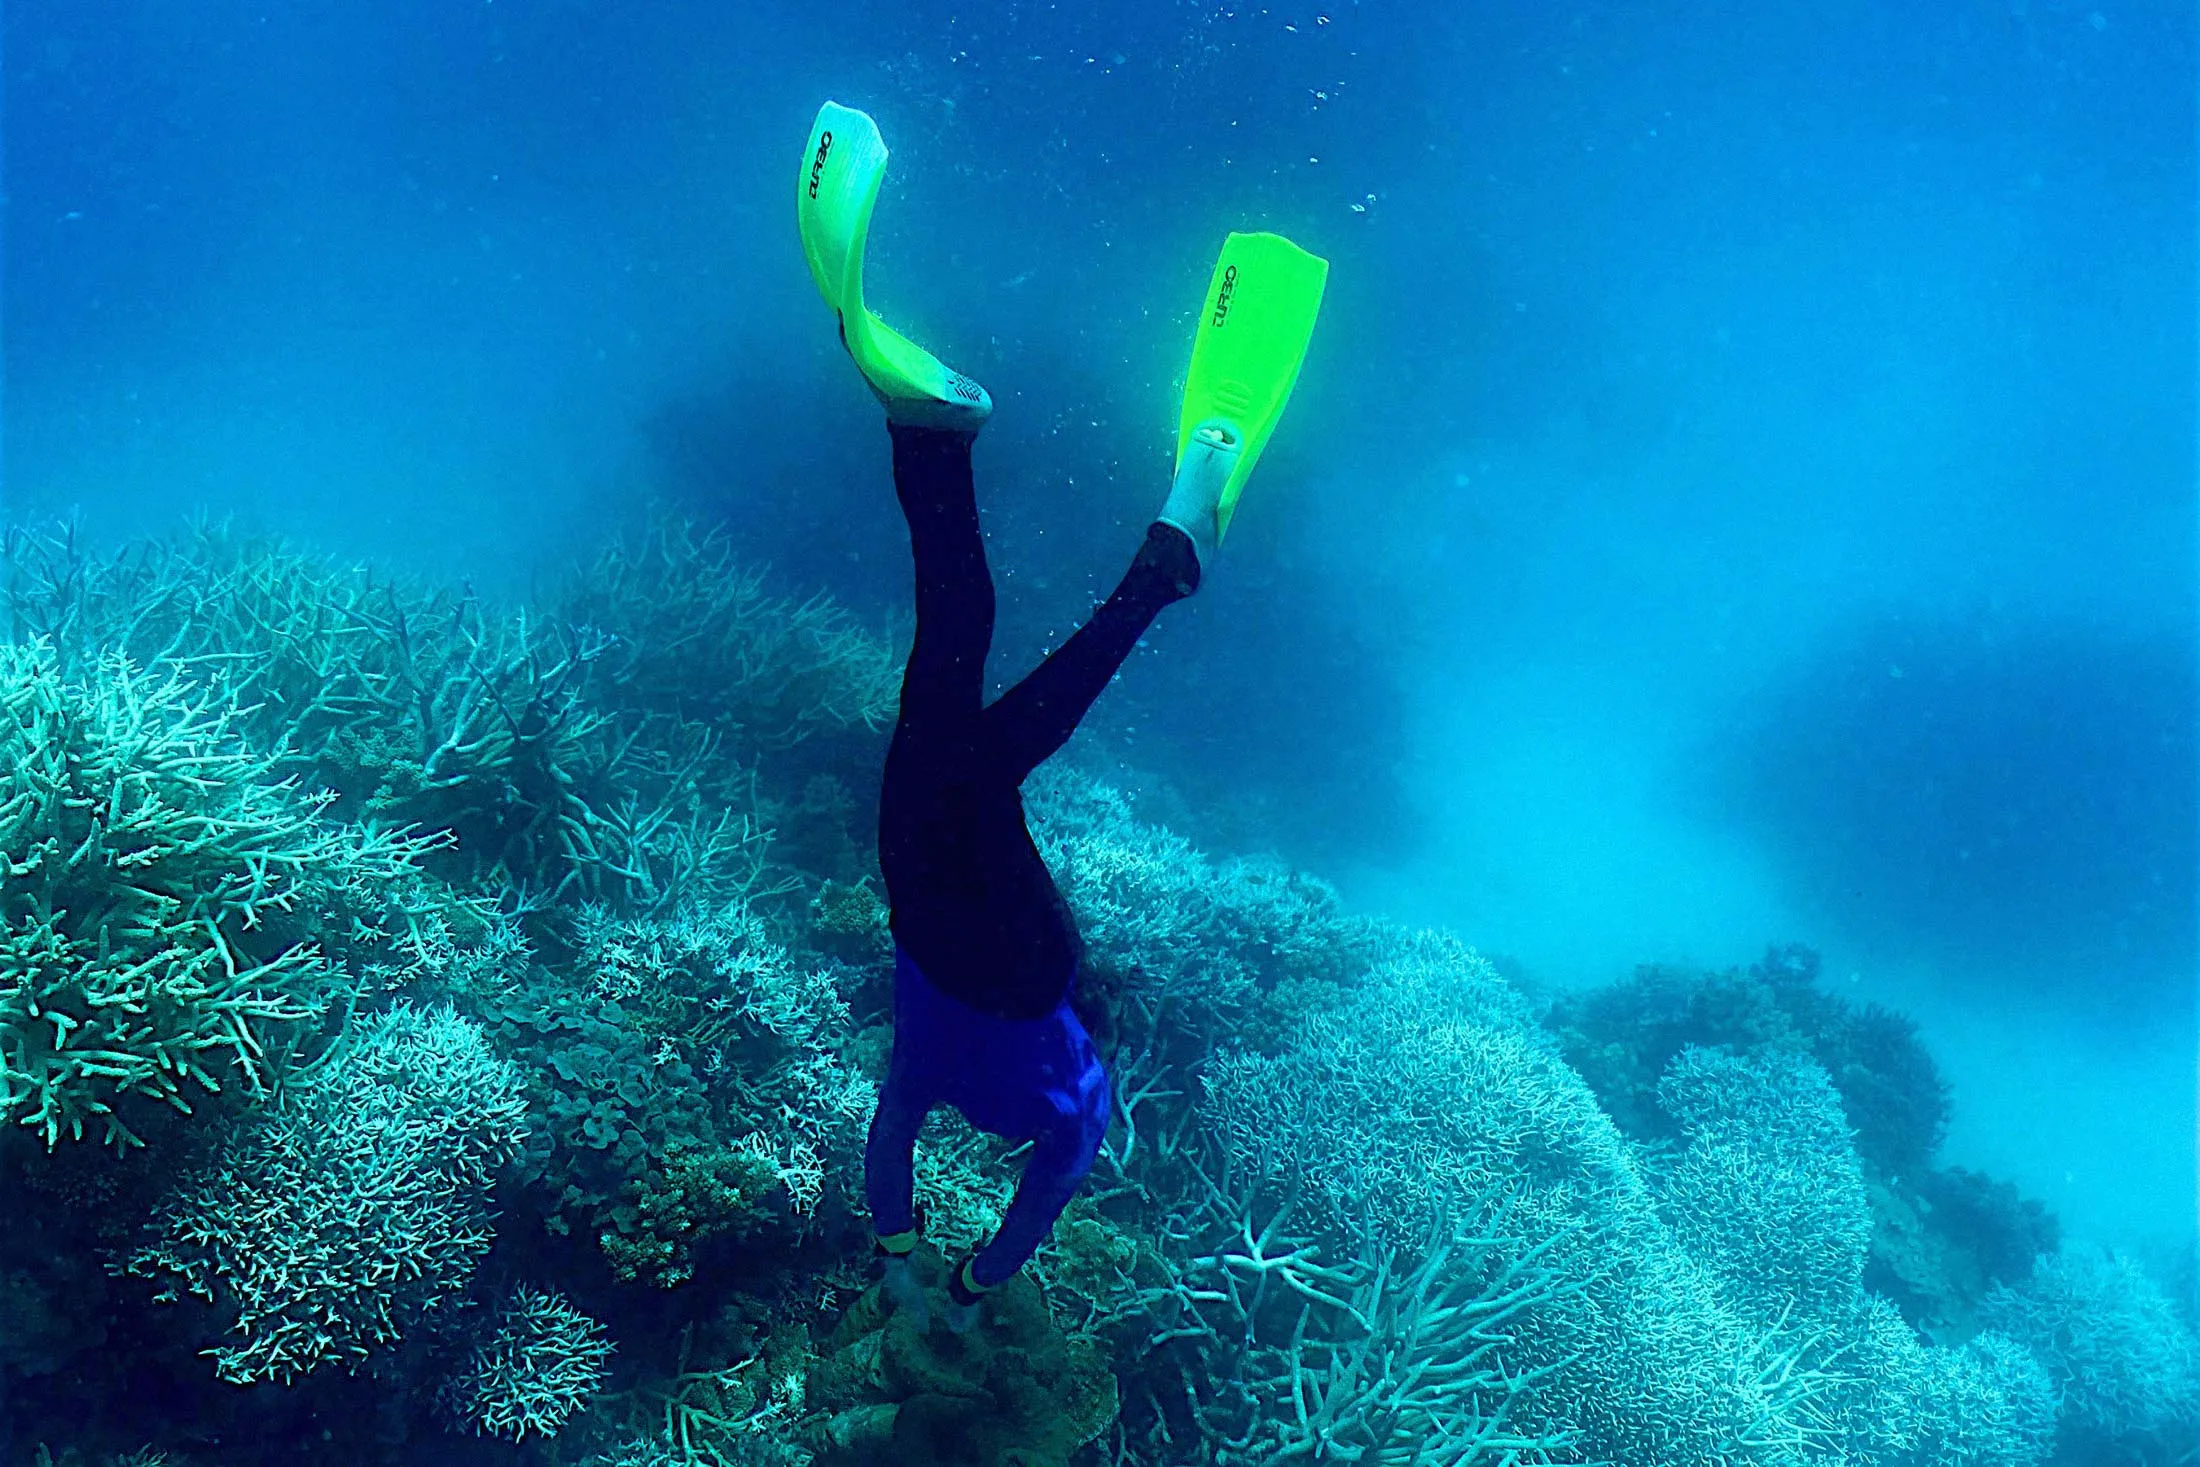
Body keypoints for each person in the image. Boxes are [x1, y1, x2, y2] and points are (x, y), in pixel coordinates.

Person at [795, 102, 1327, 1330]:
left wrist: (972, 1278)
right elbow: (891, 1146)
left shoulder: (1071, 1103)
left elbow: (1049, 1191)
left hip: (1011, 958)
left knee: (976, 740)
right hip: (927, 915)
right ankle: (950, 456)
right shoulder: (932, 1074)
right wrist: (914, 1262)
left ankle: (1135, 554)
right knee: (952, 706)